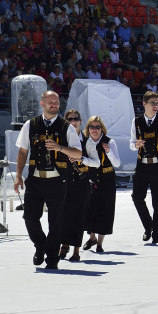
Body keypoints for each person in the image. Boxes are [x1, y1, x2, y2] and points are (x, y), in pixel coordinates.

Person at [13, 89, 84, 269]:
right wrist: (19, 175)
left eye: (57, 102)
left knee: (56, 222)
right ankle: (40, 245)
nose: (54, 105)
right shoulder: (31, 124)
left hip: (57, 179)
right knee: (29, 217)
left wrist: (60, 148)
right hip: (35, 180)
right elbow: (23, 151)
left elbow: (77, 153)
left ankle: (52, 258)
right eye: (51, 102)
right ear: (42, 103)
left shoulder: (66, 127)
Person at [129, 90, 158, 244]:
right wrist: (135, 144)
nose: (156, 106)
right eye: (152, 103)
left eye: (157, 103)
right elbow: (131, 143)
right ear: (144, 104)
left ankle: (157, 234)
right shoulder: (136, 121)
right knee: (137, 197)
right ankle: (148, 225)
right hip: (142, 164)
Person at [81, 115, 121, 254]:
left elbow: (117, 163)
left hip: (107, 177)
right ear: (88, 128)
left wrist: (108, 152)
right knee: (90, 208)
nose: (95, 130)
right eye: (92, 127)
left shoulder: (110, 142)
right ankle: (91, 237)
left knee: (105, 210)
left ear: (102, 128)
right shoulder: (85, 142)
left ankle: (100, 242)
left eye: (98, 127)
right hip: (90, 177)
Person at [58, 109, 92, 262]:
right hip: (64, 181)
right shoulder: (62, 140)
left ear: (80, 121)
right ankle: (64, 244)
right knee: (64, 215)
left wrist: (81, 158)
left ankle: (76, 250)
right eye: (70, 119)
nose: (73, 122)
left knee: (78, 216)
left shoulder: (87, 140)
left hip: (82, 181)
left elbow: (95, 160)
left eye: (76, 119)